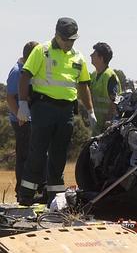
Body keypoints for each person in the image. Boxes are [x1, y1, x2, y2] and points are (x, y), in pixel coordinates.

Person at [16, 17, 97, 206]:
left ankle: (55, 198)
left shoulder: (78, 56)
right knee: (37, 152)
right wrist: (22, 104)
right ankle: (26, 195)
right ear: (57, 36)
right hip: (43, 108)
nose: (70, 43)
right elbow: (25, 76)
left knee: (59, 155)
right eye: (67, 39)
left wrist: (90, 110)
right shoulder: (42, 51)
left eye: (73, 40)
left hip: (66, 111)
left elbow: (83, 85)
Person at [6, 41, 38, 195]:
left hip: (31, 120)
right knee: (24, 156)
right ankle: (21, 191)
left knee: (33, 155)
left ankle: (32, 189)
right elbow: (10, 97)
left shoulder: (30, 70)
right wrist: (20, 114)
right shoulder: (16, 72)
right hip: (21, 121)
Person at [89, 42, 122, 135]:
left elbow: (115, 102)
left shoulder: (109, 76)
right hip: (97, 126)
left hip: (106, 127)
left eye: (94, 54)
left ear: (101, 58)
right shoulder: (94, 75)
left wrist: (107, 123)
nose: (90, 55)